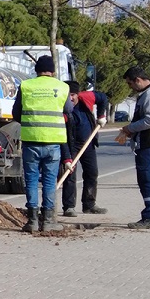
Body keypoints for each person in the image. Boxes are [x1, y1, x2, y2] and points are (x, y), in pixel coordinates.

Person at [13, 55, 71, 233]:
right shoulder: (62, 87)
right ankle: (48, 220)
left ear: (36, 71)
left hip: (31, 140)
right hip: (53, 142)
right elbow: (69, 110)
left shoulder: (26, 85)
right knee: (49, 181)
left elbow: (16, 112)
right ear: (52, 71)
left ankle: (32, 221)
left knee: (30, 180)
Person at [116, 67, 150, 229]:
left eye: (130, 83)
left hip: (149, 143)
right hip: (149, 142)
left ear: (138, 79)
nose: (130, 87)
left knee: (146, 180)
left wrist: (130, 128)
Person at [61, 80, 109, 216]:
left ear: (77, 94)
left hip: (88, 143)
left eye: (73, 95)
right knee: (69, 174)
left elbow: (103, 98)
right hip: (71, 145)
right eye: (67, 96)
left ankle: (89, 204)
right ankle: (69, 207)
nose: (70, 98)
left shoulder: (86, 97)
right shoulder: (62, 109)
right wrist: (67, 158)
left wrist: (101, 116)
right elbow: (63, 135)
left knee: (92, 172)